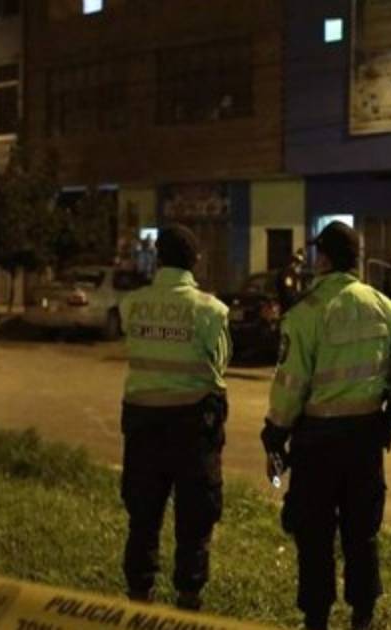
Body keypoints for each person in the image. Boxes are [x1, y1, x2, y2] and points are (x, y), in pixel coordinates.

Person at [260, 221, 391, 630]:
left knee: (314, 534)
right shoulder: (384, 307)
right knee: (361, 531)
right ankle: (363, 615)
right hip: (365, 440)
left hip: (316, 444)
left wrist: (275, 434)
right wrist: (390, 420)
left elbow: (290, 385)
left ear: (324, 259)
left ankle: (316, 617)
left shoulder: (306, 313)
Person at [117, 226, 232, 611]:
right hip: (193, 424)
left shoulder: (132, 304)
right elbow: (219, 365)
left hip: (142, 422)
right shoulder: (211, 310)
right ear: (195, 261)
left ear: (159, 258)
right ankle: (188, 597)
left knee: (143, 513)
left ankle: (139, 595)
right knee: (195, 515)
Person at [275, 249, 307, 314]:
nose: (301, 267)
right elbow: (288, 293)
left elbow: (301, 289)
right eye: (300, 265)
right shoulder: (287, 274)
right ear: (294, 263)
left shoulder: (298, 275)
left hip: (296, 305)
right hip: (288, 307)